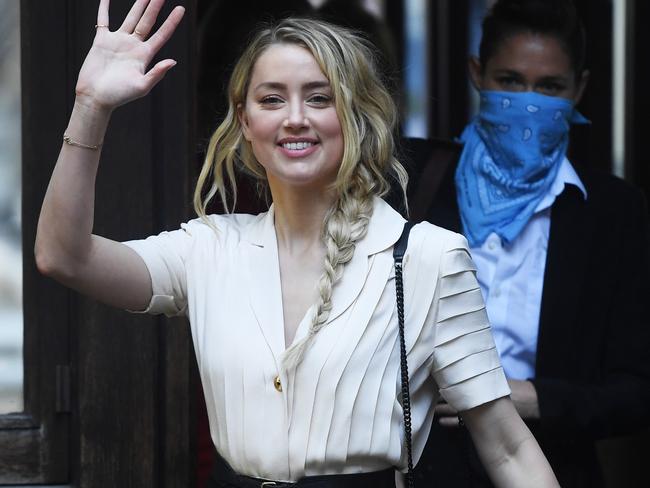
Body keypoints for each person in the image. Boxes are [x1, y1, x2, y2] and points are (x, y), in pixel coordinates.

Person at [35, 0, 560, 486]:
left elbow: (508, 447)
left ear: (354, 115)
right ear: (245, 120)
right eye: (271, 99)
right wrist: (91, 106)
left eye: (319, 98)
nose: (294, 118)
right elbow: (64, 255)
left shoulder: (428, 257)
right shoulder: (209, 249)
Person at [409, 0, 650, 487]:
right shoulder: (417, 185)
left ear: (579, 89)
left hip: (552, 467)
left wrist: (529, 398)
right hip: (421, 470)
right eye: (511, 82)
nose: (528, 102)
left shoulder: (611, 213)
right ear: (478, 74)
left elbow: (636, 391)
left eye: (550, 87)